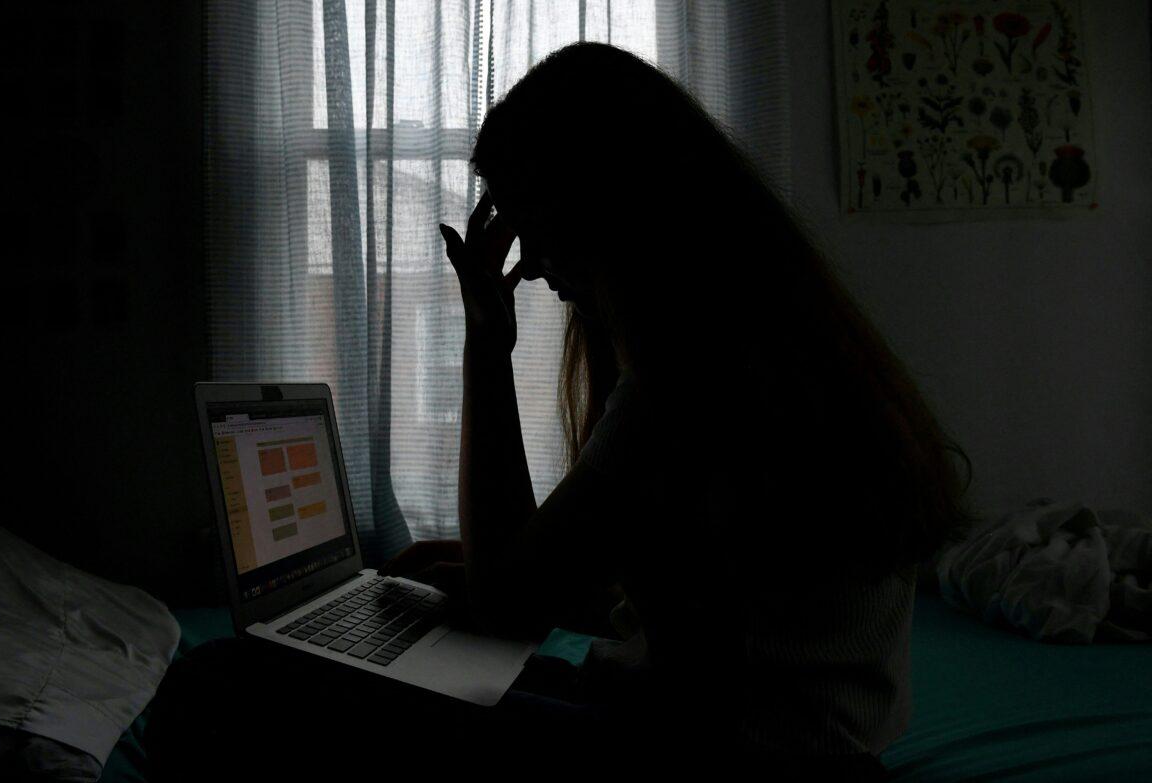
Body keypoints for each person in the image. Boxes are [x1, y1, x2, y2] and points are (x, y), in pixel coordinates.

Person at [145, 41, 977, 779]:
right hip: (802, 747)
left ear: (607, 209)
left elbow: (512, 606)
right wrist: (493, 571)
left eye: (536, 225)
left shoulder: (686, 385)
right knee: (429, 656)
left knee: (218, 681)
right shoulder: (784, 347)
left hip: (724, 753)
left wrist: (485, 346)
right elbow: (700, 601)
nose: (533, 263)